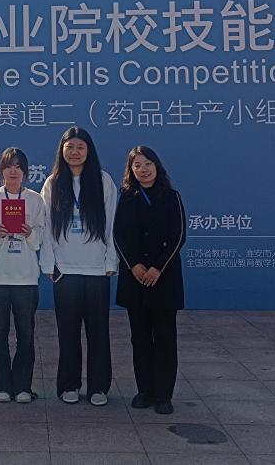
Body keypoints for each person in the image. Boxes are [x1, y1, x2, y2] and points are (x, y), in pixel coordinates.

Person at [39, 126, 118, 406]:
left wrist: (110, 260)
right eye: (69, 147)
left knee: (98, 333)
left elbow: (111, 224)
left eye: (80, 147)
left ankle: (98, 388)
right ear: (62, 150)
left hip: (96, 270)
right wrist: (49, 264)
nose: (75, 152)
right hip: (65, 271)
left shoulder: (103, 181)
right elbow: (46, 227)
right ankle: (69, 385)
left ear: (89, 150)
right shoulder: (52, 183)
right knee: (68, 333)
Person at [113, 145, 186, 415]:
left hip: (163, 279)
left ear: (157, 166)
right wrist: (134, 265)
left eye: (147, 164)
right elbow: (118, 236)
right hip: (135, 279)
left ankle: (164, 395)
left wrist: (157, 268)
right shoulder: (127, 197)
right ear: (130, 170)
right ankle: (144, 390)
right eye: (137, 165)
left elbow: (178, 236)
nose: (143, 170)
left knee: (165, 337)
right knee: (140, 338)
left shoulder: (171, 197)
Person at [0, 147, 46, 404]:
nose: (13, 171)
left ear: (25, 172)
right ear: (1, 171)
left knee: (26, 335)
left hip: (25, 278)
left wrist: (29, 233)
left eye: (18, 166)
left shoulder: (35, 200)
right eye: (9, 166)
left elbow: (40, 240)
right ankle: (1, 386)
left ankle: (22, 387)